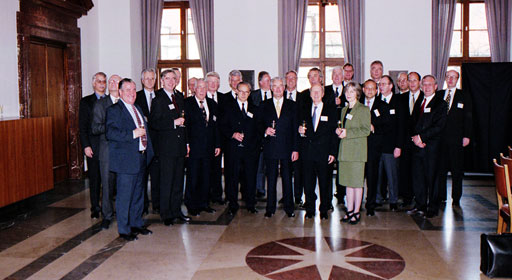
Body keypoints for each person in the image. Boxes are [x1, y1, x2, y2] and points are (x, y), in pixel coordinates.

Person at [106, 78, 154, 241]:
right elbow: (111, 133)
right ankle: (124, 230)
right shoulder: (115, 110)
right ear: (120, 92)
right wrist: (132, 134)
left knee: (138, 195)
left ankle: (136, 224)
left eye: (134, 90)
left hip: (140, 158)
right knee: (124, 197)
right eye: (127, 90)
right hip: (125, 161)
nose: (132, 93)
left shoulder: (137, 108)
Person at [149, 69, 190, 226]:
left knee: (179, 181)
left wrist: (186, 143)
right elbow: (154, 123)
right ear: (162, 80)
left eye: (174, 78)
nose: (171, 81)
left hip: (180, 147)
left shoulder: (179, 97)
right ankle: (166, 214)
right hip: (166, 147)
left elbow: (184, 122)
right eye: (167, 78)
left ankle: (176, 210)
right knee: (167, 181)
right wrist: (173, 123)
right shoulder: (158, 99)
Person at [406, 75, 447, 218]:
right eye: (424, 84)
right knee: (418, 178)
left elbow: (439, 126)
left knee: (432, 178)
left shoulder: (441, 104)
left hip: (432, 148)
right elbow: (412, 122)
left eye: (430, 84)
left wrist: (422, 138)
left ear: (436, 86)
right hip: (417, 147)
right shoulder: (419, 102)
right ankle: (420, 205)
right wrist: (415, 138)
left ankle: (433, 207)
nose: (427, 87)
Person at [259, 77, 299, 218]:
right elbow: (258, 125)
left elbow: (295, 129)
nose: (277, 89)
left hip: (287, 148)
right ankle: (270, 208)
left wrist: (295, 149)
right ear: (270, 88)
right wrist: (265, 130)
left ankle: (289, 207)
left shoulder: (292, 105)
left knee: (288, 178)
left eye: (280, 86)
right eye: (274, 86)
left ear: (284, 87)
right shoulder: (264, 105)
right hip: (270, 147)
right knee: (271, 178)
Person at [221, 81, 262, 215]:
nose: (243, 94)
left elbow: (258, 130)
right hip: (233, 149)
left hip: (250, 151)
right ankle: (233, 204)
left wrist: (255, 145)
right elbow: (222, 127)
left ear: (249, 93)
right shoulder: (227, 107)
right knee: (232, 177)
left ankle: (250, 203)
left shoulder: (255, 109)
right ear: (236, 91)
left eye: (247, 92)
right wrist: (232, 134)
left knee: (250, 177)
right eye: (241, 91)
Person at [298, 85, 337, 220]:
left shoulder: (331, 110)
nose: (315, 94)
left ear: (323, 93)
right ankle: (310, 209)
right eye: (313, 91)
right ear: (310, 94)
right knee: (308, 182)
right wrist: (299, 131)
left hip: (324, 153)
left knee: (325, 182)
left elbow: (334, 134)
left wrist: (333, 152)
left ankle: (324, 209)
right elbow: (299, 127)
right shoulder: (303, 110)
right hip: (307, 152)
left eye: (318, 91)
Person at [184, 79, 221, 216]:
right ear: (194, 88)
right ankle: (191, 204)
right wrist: (186, 144)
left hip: (209, 147)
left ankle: (204, 203)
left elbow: (215, 126)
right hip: (193, 148)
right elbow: (185, 127)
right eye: (199, 87)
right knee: (193, 177)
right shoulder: (187, 103)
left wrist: (217, 144)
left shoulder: (212, 104)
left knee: (206, 177)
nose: (201, 90)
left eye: (204, 87)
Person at [336, 82, 371, 225]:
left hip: (357, 152)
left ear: (357, 93)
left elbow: (366, 130)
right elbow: (342, 127)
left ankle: (356, 212)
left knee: (357, 184)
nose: (348, 94)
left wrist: (347, 133)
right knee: (348, 183)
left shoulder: (363, 109)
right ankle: (349, 210)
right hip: (345, 151)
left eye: (352, 91)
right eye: (347, 91)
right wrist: (339, 131)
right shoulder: (344, 109)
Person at [437, 70, 472, 207]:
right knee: (441, 169)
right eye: (448, 77)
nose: (450, 79)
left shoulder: (464, 95)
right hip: (440, 139)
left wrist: (467, 135)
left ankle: (456, 197)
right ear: (445, 78)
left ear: (457, 79)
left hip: (457, 139)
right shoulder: (439, 95)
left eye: (454, 77)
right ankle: (441, 196)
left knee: (457, 170)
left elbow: (469, 117)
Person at [91, 74, 121, 229]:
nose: (111, 83)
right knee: (107, 185)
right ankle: (107, 216)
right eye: (110, 81)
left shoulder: (125, 103)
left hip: (123, 151)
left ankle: (122, 213)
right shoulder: (101, 104)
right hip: (107, 151)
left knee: (121, 185)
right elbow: (95, 128)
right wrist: (112, 128)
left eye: (115, 81)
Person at [360, 79, 391, 216]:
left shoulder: (383, 106)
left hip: (374, 148)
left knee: (372, 177)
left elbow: (387, 126)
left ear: (377, 90)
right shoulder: (357, 104)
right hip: (358, 147)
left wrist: (374, 128)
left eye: (373, 88)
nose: (370, 91)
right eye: (367, 88)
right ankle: (356, 203)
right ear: (363, 90)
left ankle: (370, 204)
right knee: (358, 177)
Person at [79, 72, 106, 219]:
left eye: (104, 82)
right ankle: (95, 207)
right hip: (93, 147)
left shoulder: (110, 101)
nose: (102, 84)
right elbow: (82, 127)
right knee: (95, 179)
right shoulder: (86, 102)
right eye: (99, 81)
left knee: (108, 179)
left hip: (107, 146)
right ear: (94, 83)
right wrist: (86, 146)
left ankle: (107, 207)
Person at [375, 75, 405, 212]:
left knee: (392, 175)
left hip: (391, 146)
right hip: (377, 145)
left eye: (384, 84)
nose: (381, 86)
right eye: (380, 84)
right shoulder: (375, 101)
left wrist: (399, 146)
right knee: (377, 174)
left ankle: (393, 200)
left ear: (391, 86)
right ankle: (377, 198)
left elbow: (401, 127)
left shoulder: (399, 101)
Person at [135, 68, 160, 215]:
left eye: (152, 78)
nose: (150, 81)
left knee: (157, 177)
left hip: (158, 144)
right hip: (142, 144)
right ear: (142, 80)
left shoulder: (161, 97)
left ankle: (156, 204)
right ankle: (143, 205)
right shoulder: (136, 97)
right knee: (142, 178)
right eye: (147, 78)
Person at [399, 72, 423, 207]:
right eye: (410, 80)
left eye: (415, 80)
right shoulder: (401, 98)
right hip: (405, 142)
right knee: (405, 170)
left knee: (418, 172)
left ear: (419, 82)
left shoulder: (425, 98)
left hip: (419, 141)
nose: (412, 83)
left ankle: (419, 199)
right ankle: (407, 198)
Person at [205, 71, 227, 205]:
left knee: (217, 169)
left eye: (215, 82)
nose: (213, 84)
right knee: (205, 170)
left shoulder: (224, 99)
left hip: (220, 140)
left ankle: (217, 195)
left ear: (219, 84)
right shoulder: (201, 98)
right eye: (210, 82)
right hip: (205, 142)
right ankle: (205, 195)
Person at [251, 71, 273, 198]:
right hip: (258, 135)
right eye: (266, 80)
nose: (268, 83)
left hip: (272, 136)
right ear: (260, 82)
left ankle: (271, 189)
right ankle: (259, 188)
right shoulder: (253, 96)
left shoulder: (275, 95)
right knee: (258, 164)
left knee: (269, 166)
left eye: (269, 80)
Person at [285, 70, 303, 207]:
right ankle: (286, 196)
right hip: (283, 141)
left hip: (298, 140)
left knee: (298, 171)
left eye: (293, 78)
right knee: (285, 171)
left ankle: (297, 195)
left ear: (297, 80)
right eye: (288, 78)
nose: (291, 80)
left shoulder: (303, 97)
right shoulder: (279, 96)